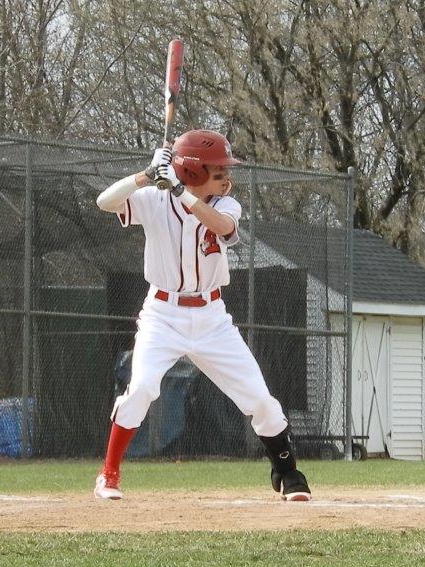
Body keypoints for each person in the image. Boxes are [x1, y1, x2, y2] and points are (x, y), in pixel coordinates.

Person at [93, 130, 311, 501]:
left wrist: (182, 191)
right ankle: (108, 474)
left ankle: (288, 472)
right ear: (191, 171)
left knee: (258, 397)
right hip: (163, 314)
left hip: (212, 317)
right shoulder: (154, 199)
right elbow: (104, 201)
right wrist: (146, 176)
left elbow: (222, 227)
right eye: (217, 171)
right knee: (142, 388)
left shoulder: (226, 205)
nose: (227, 178)